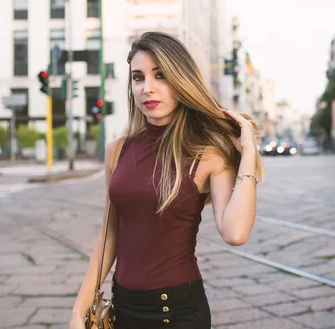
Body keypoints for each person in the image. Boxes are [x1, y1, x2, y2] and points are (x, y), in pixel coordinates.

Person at [69, 31, 264, 329]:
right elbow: (109, 236)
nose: (147, 88)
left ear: (181, 81)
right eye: (138, 77)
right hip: (122, 309)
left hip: (177, 313)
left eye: (160, 76)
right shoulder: (117, 151)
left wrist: (248, 152)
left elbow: (235, 233)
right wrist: (78, 310)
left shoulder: (208, 155)